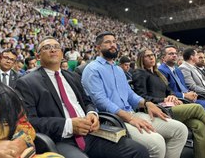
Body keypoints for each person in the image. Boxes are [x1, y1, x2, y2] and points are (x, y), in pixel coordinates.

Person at [16, 36, 149, 158]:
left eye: (56, 47)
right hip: (61, 139)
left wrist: (92, 113)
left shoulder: (72, 76)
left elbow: (87, 101)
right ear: (38, 56)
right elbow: (30, 122)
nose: (53, 50)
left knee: (139, 151)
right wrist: (69, 125)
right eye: (46, 47)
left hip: (90, 133)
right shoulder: (27, 82)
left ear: (62, 54)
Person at [82, 32, 188, 158]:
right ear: (98, 47)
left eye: (114, 42)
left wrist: (147, 103)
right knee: (157, 143)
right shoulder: (92, 69)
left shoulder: (118, 70)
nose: (113, 45)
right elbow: (100, 101)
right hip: (114, 120)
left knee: (180, 130)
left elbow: (130, 95)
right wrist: (130, 118)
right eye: (108, 42)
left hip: (132, 114)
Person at [133, 48, 205, 158]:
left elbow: (169, 90)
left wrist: (172, 96)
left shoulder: (157, 73)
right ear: (141, 58)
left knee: (199, 126)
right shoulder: (139, 73)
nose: (151, 57)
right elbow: (141, 97)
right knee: (197, 108)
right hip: (158, 109)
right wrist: (163, 100)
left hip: (169, 105)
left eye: (152, 55)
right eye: (147, 56)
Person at [158, 45, 205, 126]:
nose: (174, 55)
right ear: (163, 58)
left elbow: (185, 87)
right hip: (179, 100)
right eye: (171, 54)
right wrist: (184, 95)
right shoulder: (161, 71)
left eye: (175, 53)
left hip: (191, 98)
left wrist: (191, 93)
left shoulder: (177, 69)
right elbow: (167, 91)